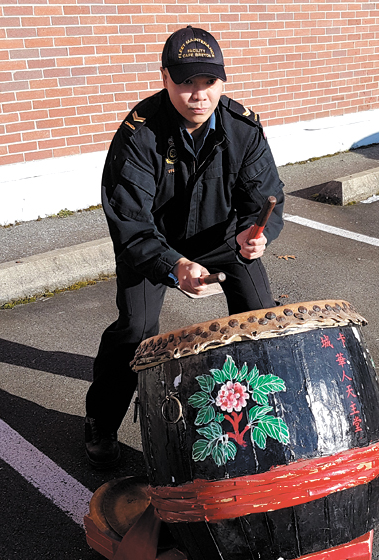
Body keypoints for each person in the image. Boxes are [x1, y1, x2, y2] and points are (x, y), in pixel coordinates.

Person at [84, 26, 285, 469]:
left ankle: (262, 413)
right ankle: (101, 420)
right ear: (165, 79)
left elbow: (266, 197)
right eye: (186, 82)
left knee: (259, 314)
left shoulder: (243, 127)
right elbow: (129, 222)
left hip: (223, 240)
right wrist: (174, 265)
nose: (199, 94)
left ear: (223, 81)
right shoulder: (139, 134)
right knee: (136, 330)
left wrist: (257, 234)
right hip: (153, 244)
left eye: (208, 81)